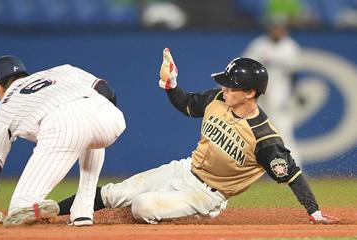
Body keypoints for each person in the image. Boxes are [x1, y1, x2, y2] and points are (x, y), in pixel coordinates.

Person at [58, 48, 339, 225]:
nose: (224, 88)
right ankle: (50, 211)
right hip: (184, 169)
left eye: (231, 85)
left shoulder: (264, 136)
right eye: (225, 83)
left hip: (206, 195)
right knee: (114, 192)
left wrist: (313, 211)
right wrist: (171, 85)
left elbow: (291, 174)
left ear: (251, 93)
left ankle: (181, 214)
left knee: (143, 206)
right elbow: (187, 104)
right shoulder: (218, 99)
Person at [0, 55, 126, 227]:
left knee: (19, 207)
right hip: (108, 115)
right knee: (88, 139)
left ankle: (34, 207)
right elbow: (108, 93)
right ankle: (82, 211)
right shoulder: (61, 71)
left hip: (63, 123)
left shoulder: (6, 107)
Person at [242, 16, 302, 165]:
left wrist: (296, 93)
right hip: (259, 98)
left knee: (284, 134)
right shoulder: (259, 45)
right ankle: (243, 172)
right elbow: (246, 68)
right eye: (274, 27)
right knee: (249, 134)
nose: (277, 30)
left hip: (280, 98)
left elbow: (294, 74)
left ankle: (295, 169)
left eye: (280, 27)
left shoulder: (290, 47)